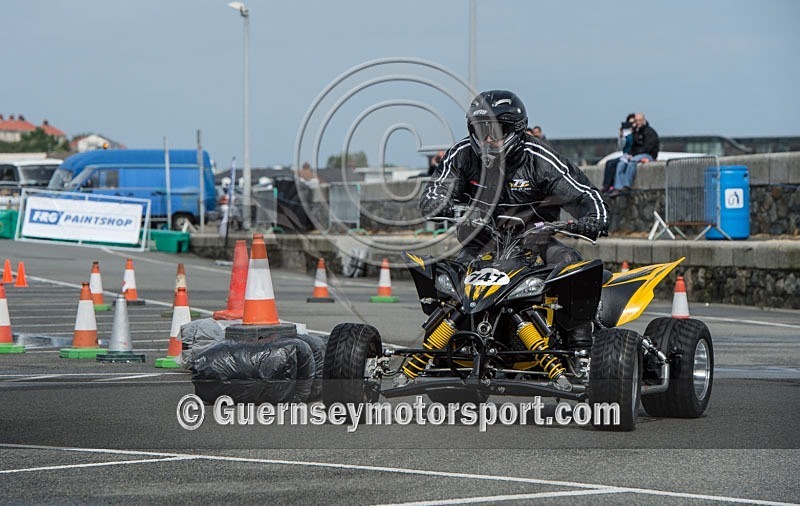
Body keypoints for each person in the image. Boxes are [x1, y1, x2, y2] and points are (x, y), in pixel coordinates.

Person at [420, 89, 609, 350]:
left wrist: (594, 218)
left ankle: (580, 345)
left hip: (535, 242)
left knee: (569, 263)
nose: (487, 139)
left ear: (517, 130)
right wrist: (439, 204)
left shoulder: (541, 159)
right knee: (447, 279)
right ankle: (442, 344)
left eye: (496, 131)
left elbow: (584, 194)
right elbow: (435, 191)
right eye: (480, 130)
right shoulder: (461, 155)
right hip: (481, 243)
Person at [610, 112, 660, 196]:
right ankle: (618, 187)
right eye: (636, 121)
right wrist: (630, 154)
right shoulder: (635, 132)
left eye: (639, 120)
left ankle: (627, 185)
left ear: (644, 120)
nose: (638, 122)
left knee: (632, 162)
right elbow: (632, 146)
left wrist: (635, 155)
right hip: (636, 154)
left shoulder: (650, 132)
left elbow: (648, 147)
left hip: (648, 155)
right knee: (621, 163)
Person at [601, 113, 635, 194]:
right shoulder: (626, 134)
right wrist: (621, 135)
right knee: (609, 163)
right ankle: (606, 185)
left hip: (631, 156)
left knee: (615, 164)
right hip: (624, 155)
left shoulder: (636, 134)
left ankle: (610, 186)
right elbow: (621, 146)